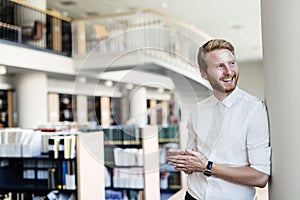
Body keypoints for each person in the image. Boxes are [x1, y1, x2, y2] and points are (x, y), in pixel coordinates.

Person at [167, 39, 271, 200]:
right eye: (220, 66)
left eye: (231, 63)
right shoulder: (197, 110)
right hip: (194, 196)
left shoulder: (254, 110)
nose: (229, 72)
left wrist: (207, 167)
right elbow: (193, 163)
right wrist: (185, 162)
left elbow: (260, 177)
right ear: (203, 73)